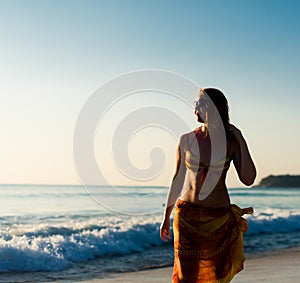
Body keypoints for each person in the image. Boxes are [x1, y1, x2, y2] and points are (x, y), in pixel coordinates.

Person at [160, 88, 256, 283]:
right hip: (187, 215)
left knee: (217, 275)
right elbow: (177, 180)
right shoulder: (186, 139)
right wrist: (166, 216)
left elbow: (248, 179)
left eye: (200, 103)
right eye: (195, 103)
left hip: (218, 218)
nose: (195, 107)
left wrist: (241, 139)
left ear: (213, 107)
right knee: (187, 276)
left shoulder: (230, 142)